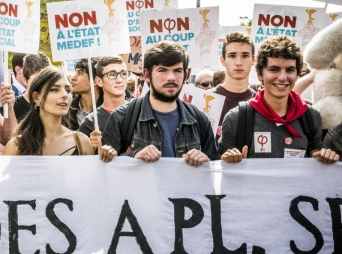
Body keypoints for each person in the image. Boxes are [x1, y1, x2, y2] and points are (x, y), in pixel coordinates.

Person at [219, 36, 339, 164]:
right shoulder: (236, 118)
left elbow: (314, 156)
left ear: (297, 74)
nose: (282, 77)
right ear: (259, 74)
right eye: (274, 69)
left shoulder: (311, 117)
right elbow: (219, 167)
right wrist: (230, 160)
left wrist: (324, 157)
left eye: (289, 70)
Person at [102, 41, 218, 166]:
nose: (171, 77)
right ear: (147, 75)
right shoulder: (121, 117)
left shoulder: (199, 120)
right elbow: (108, 170)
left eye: (177, 70)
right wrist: (133, 157)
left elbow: (212, 172)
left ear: (186, 75)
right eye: (162, 70)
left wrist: (205, 163)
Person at [4, 66, 115, 162]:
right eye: (54, 90)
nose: (65, 95)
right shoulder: (16, 146)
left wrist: (103, 160)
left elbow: (91, 183)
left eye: (67, 90)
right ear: (37, 97)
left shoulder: (82, 143)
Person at [209, 32, 256, 136]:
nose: (238, 62)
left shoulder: (260, 101)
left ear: (253, 60)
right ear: (223, 60)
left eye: (245, 55)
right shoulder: (206, 99)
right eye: (232, 56)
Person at [79, 56, 130, 151]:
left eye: (123, 73)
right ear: (99, 81)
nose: (119, 80)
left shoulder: (141, 110)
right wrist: (90, 148)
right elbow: (83, 162)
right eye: (112, 74)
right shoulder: (90, 122)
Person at [13, 52, 51, 122]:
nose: (42, 84)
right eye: (37, 80)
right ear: (24, 80)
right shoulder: (11, 107)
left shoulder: (54, 106)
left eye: (46, 79)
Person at [68, 58, 102, 130]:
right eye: (75, 73)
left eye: (80, 73)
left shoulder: (108, 110)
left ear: (95, 81)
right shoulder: (67, 108)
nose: (73, 78)